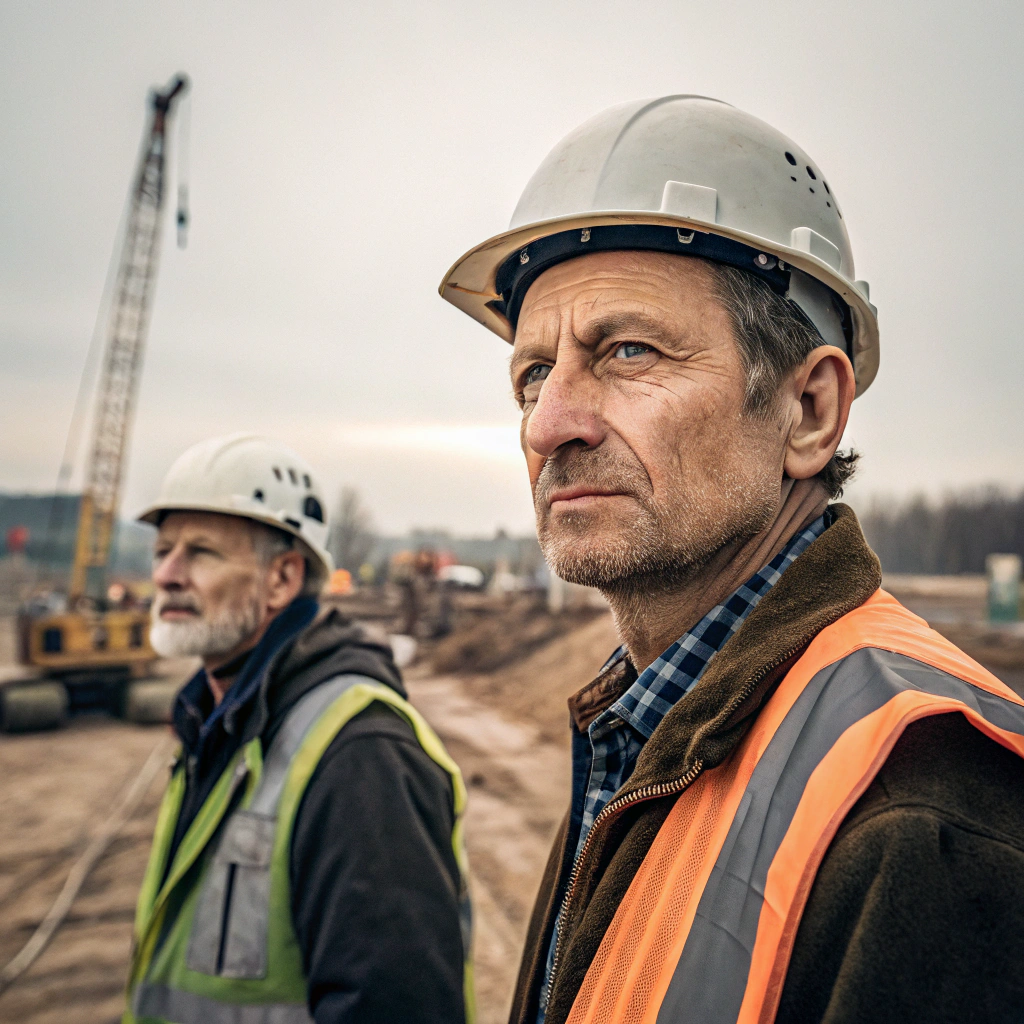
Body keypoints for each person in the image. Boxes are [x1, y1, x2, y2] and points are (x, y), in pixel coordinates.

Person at [439, 96, 1024, 1024]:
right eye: (534, 374)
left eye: (628, 350)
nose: (549, 425)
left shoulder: (928, 814)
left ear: (808, 412)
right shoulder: (640, 724)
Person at [124, 433, 472, 1024]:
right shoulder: (215, 723)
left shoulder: (359, 756)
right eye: (162, 552)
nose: (167, 575)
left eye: (201, 553)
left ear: (282, 579)